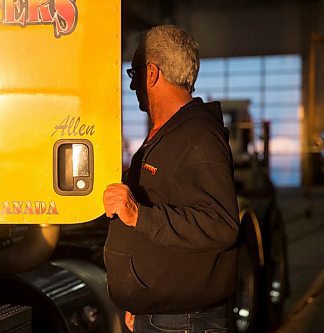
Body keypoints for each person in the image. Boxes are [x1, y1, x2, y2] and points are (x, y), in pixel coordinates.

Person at [103, 25, 240, 333]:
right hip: (161, 315)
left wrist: (139, 215)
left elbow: (220, 225)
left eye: (134, 73)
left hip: (183, 322)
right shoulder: (167, 136)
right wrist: (138, 302)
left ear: (152, 73)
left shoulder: (197, 136)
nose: (133, 84)